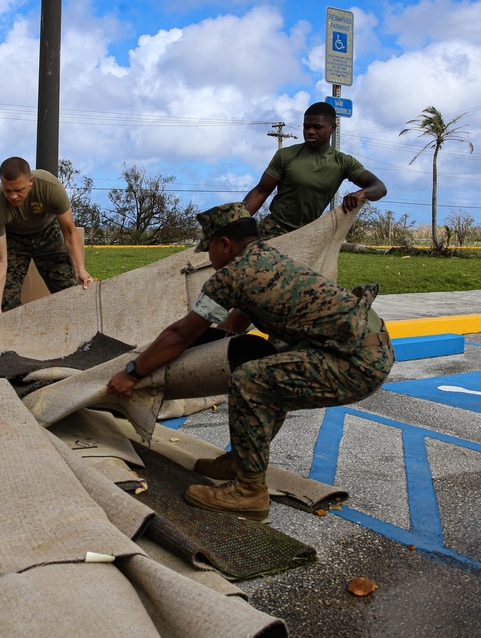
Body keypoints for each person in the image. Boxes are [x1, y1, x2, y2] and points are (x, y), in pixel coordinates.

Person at [106, 202, 394, 520]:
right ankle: (240, 461)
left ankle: (250, 492)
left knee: (251, 381)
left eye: (209, 250)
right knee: (273, 373)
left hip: (354, 363)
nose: (209, 259)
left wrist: (133, 371)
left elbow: (180, 334)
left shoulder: (232, 276)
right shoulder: (267, 261)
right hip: (370, 347)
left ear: (224, 244)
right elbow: (229, 329)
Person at [243, 101, 387, 238]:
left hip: (308, 235)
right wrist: (237, 221)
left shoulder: (343, 162)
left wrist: (362, 193)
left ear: (332, 128)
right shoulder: (286, 155)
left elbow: (379, 187)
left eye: (317, 127)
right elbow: (260, 191)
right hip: (274, 231)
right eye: (306, 127)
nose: (310, 131)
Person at [0, 156, 94, 325]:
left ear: (30, 181)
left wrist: (80, 268)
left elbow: (70, 232)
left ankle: (77, 329)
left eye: (18, 190)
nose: (13, 196)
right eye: (7, 190)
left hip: (47, 232)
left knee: (69, 290)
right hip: (14, 239)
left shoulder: (50, 187)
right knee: (6, 305)